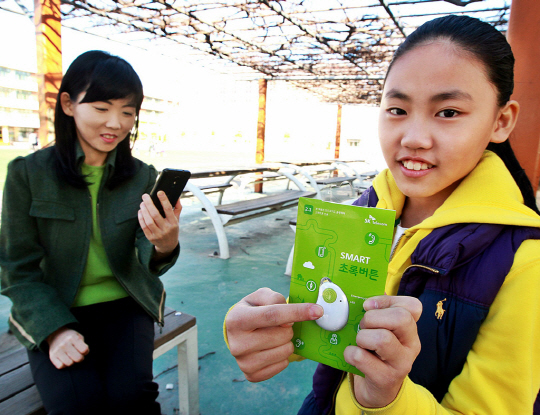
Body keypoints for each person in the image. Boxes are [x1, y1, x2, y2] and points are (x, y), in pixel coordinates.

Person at [223, 15, 540, 414]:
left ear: (501, 120)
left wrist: (387, 400)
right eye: (396, 109)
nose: (413, 138)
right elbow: (323, 323)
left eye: (448, 112)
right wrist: (266, 329)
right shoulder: (365, 210)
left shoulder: (525, 262)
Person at [0, 50, 182, 414]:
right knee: (75, 405)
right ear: (68, 104)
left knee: (133, 399)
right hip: (55, 306)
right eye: (101, 108)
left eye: (128, 112)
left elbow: (147, 258)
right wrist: (54, 330)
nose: (116, 122)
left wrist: (166, 243)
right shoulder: (27, 174)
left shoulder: (143, 176)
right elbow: (16, 268)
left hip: (126, 305)